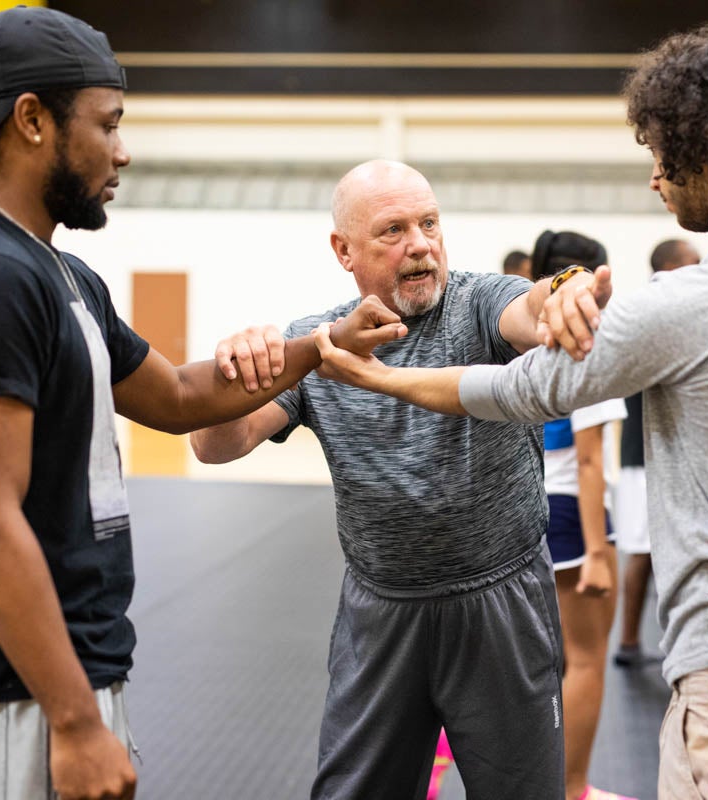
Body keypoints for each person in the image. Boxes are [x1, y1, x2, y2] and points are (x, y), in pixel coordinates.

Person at [312, 11, 708, 799]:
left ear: (707, 146)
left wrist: (376, 378)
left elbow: (522, 388)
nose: (655, 179)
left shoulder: (697, 300)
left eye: (661, 155)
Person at [0, 9, 404, 800]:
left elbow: (176, 397)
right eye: (108, 123)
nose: (123, 151)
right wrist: (72, 722)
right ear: (32, 120)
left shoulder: (61, 276)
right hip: (9, 691)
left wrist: (326, 343)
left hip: (70, 669)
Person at [191, 159, 611, 800]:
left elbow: (531, 309)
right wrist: (240, 367)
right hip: (382, 615)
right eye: (394, 230)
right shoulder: (318, 344)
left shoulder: (477, 303)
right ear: (345, 251)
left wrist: (567, 292)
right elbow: (216, 443)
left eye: (430, 223)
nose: (421, 243)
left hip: (501, 604)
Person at [531, 230, 632, 800]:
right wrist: (597, 553)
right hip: (573, 514)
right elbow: (591, 461)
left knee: (535, 665)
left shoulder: (522, 341)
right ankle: (572, 791)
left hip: (521, 511)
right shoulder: (590, 347)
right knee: (586, 661)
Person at [613, 238, 700, 669]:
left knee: (653, 552)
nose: (701, 270)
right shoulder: (656, 312)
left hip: (659, 452)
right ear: (668, 266)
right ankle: (631, 641)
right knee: (646, 551)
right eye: (693, 263)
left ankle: (641, 641)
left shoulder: (668, 311)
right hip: (648, 454)